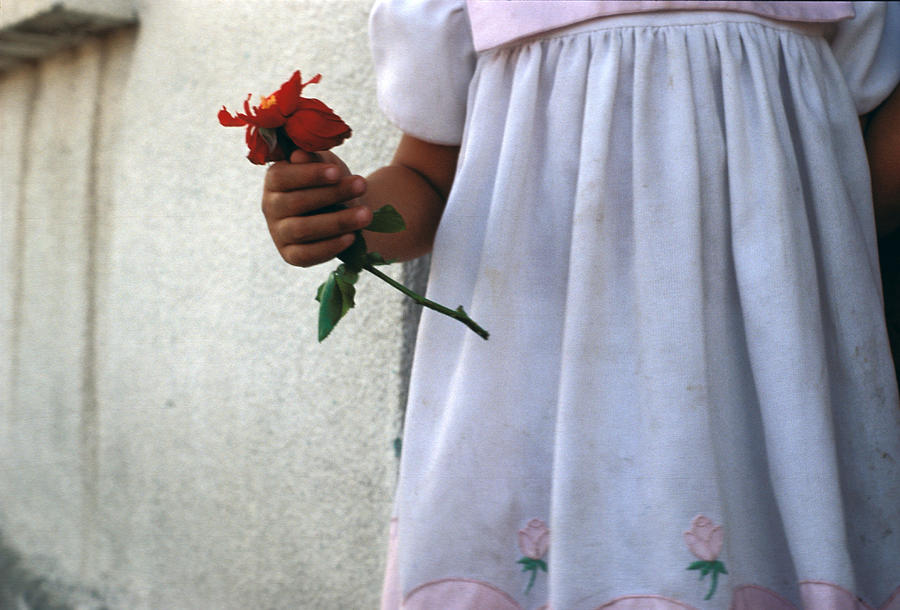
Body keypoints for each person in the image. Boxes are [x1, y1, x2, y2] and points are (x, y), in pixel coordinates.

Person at [261, 1, 900, 608]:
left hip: (767, 388)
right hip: (542, 386)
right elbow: (427, 178)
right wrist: (343, 220)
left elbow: (848, 184)